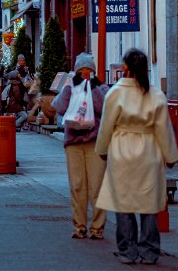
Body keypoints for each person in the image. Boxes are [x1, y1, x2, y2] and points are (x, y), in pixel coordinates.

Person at [96, 49, 178, 265]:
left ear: (126, 68)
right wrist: (170, 156)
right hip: (148, 152)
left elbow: (106, 126)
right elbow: (164, 129)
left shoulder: (115, 93)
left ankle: (128, 249)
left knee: (123, 203)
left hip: (121, 151)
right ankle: (150, 250)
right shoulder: (155, 95)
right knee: (148, 203)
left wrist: (102, 150)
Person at [51, 53, 110, 240]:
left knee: (97, 186)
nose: (85, 73)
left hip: (95, 142)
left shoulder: (101, 87)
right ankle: (79, 226)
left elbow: (105, 107)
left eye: (88, 70)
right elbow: (58, 107)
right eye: (81, 70)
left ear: (93, 71)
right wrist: (70, 87)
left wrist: (92, 87)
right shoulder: (70, 86)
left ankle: (97, 227)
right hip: (74, 143)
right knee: (77, 185)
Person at [5, 56, 33, 129]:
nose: (22, 61)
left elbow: (28, 78)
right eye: (20, 60)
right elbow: (17, 95)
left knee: (20, 113)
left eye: (23, 60)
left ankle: (18, 126)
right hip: (17, 102)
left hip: (17, 99)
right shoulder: (15, 84)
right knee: (23, 114)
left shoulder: (25, 70)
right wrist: (21, 101)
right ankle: (15, 125)